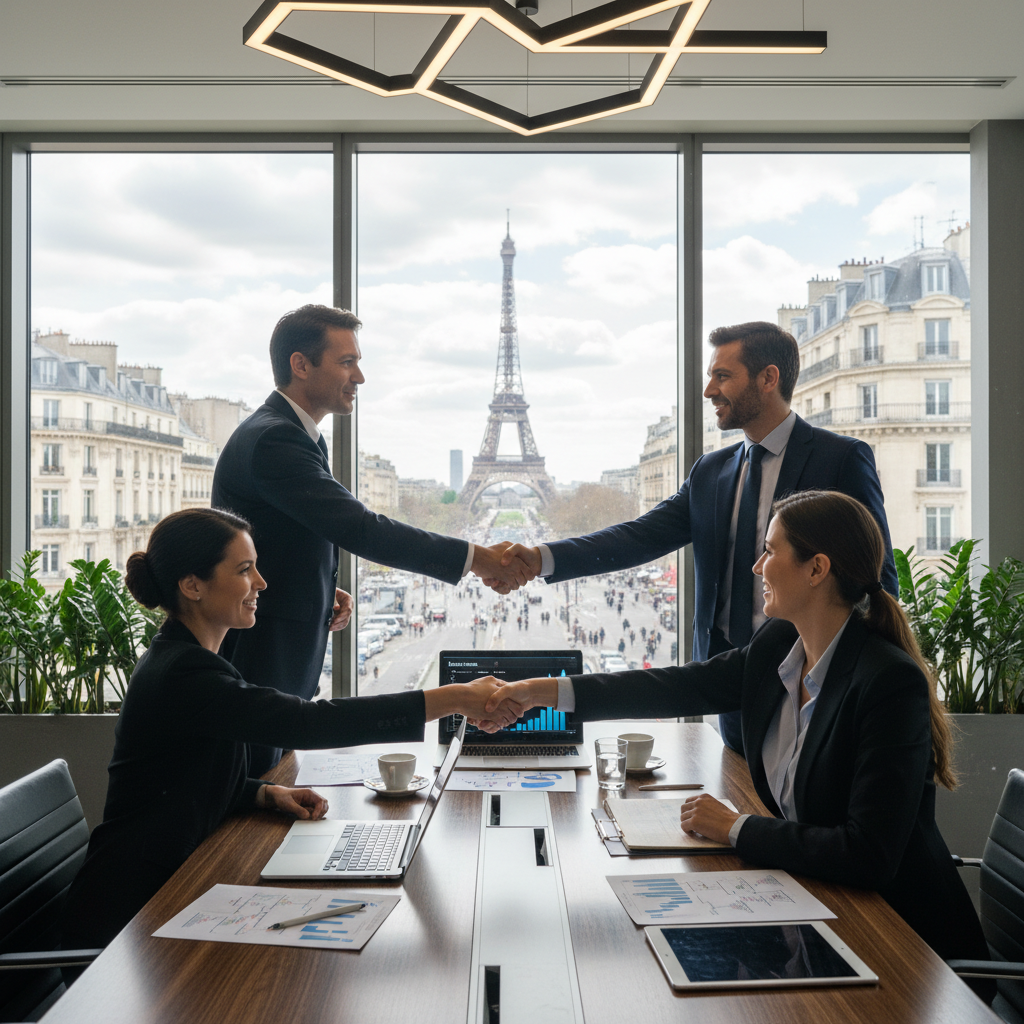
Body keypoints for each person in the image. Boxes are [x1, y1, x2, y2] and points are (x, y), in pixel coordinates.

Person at [479, 491, 988, 974]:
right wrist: (541, 691)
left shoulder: (888, 682)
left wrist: (736, 828)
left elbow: (868, 855)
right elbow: (675, 687)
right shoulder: (779, 645)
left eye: (770, 551)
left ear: (817, 569)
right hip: (820, 908)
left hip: (903, 944)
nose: (757, 566)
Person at [60, 508, 517, 955]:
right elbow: (307, 722)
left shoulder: (187, 660)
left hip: (167, 889)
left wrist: (263, 793)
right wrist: (452, 698)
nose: (261, 582)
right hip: (128, 921)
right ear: (192, 585)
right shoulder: (185, 674)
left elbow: (179, 777)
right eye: (245, 570)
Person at [494, 322, 896, 756]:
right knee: (744, 783)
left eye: (722, 376)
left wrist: (863, 675)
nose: (708, 391)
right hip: (725, 678)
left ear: (768, 378)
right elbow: (639, 538)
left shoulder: (841, 459)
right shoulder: (711, 471)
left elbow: (877, 576)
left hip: (813, 673)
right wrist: (540, 559)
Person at [212, 305, 536, 775]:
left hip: (277, 651)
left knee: (268, 782)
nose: (359, 376)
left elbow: (290, 533)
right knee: (253, 788)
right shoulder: (274, 440)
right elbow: (361, 528)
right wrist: (478, 559)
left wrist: (322, 586)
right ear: (300, 364)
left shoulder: (294, 434)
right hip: (265, 656)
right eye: (347, 362)